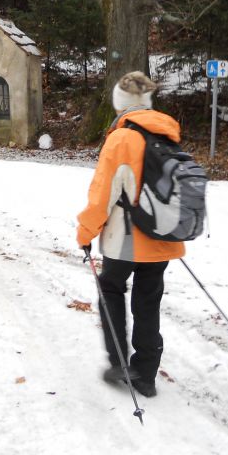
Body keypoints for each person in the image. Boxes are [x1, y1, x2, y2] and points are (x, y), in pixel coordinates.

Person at [76, 71, 185, 398]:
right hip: (162, 236)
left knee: (110, 289)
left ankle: (120, 363)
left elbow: (103, 194)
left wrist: (86, 231)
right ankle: (146, 374)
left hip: (124, 240)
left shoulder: (121, 138)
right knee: (148, 304)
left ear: (120, 103)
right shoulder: (168, 134)